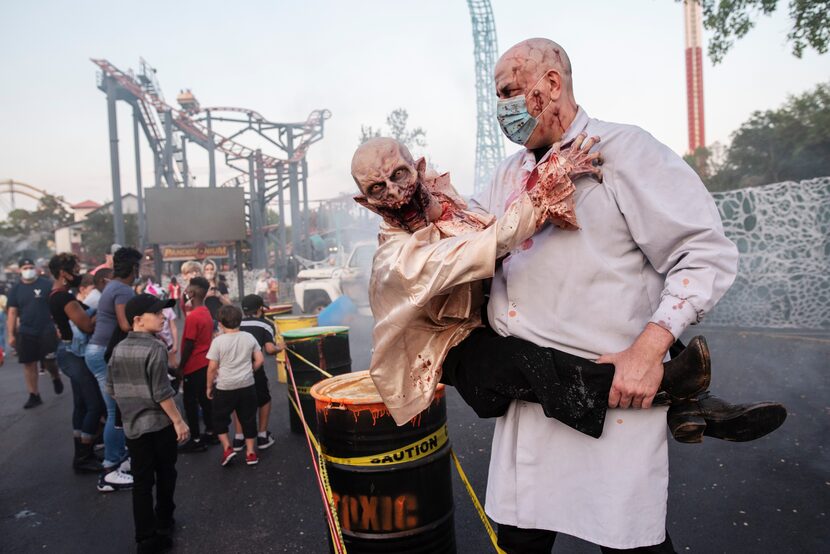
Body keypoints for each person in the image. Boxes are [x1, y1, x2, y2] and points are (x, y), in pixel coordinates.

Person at [472, 38, 741, 552]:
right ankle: (691, 396)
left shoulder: (622, 150)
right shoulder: (507, 175)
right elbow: (468, 243)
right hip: (529, 401)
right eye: (498, 96)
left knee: (627, 538)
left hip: (615, 396)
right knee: (520, 538)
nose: (501, 107)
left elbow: (704, 250)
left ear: (551, 84)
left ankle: (680, 386)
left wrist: (650, 349)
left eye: (509, 91)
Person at [108, 293, 190, 553]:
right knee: (166, 474)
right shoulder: (155, 347)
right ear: (138, 320)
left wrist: (132, 403)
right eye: (156, 313)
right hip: (159, 424)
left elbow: (111, 388)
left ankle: (145, 536)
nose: (162, 317)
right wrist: (179, 422)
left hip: (133, 428)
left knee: (142, 482)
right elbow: (161, 392)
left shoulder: (118, 348)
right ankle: (164, 521)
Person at [86, 247, 143, 492]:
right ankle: (111, 469)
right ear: (134, 268)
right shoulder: (122, 289)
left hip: (98, 350)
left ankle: (118, 459)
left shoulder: (112, 286)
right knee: (115, 410)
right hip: (103, 353)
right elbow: (124, 322)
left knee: (116, 409)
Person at [47, 253, 105, 473]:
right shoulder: (64, 299)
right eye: (76, 269)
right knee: (94, 405)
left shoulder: (58, 295)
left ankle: (84, 451)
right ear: (64, 273)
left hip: (69, 352)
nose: (79, 273)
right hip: (73, 354)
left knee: (81, 404)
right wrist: (104, 312)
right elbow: (87, 327)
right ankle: (83, 456)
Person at [206, 304, 264, 466]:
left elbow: (212, 368)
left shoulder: (218, 341)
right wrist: (249, 371)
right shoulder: (248, 337)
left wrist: (209, 387)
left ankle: (227, 448)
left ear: (221, 323)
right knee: (248, 418)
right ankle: (251, 453)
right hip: (247, 385)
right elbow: (259, 360)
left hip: (225, 387)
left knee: (219, 419)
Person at [7, 257, 64, 409]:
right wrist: (11, 334)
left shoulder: (46, 285)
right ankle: (34, 394)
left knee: (49, 361)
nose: (28, 270)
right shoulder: (15, 289)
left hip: (47, 329)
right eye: (25, 268)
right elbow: (12, 313)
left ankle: (55, 376)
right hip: (26, 331)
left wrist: (59, 327)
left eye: (30, 267)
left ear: (36, 268)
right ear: (20, 270)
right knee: (29, 363)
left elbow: (56, 307)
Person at [236, 294, 283, 451]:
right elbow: (269, 349)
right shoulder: (265, 324)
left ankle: (238, 438)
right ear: (260, 309)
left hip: (235, 369)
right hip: (255, 370)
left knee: (239, 402)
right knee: (264, 399)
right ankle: (262, 436)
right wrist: (281, 347)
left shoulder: (235, 323)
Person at [177, 276, 217, 452]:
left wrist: (180, 367)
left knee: (190, 403)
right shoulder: (205, 312)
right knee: (204, 400)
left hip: (193, 365)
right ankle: (211, 432)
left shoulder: (193, 317)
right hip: (205, 363)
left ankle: (195, 438)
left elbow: (189, 344)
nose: (185, 291)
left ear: (192, 293)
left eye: (187, 289)